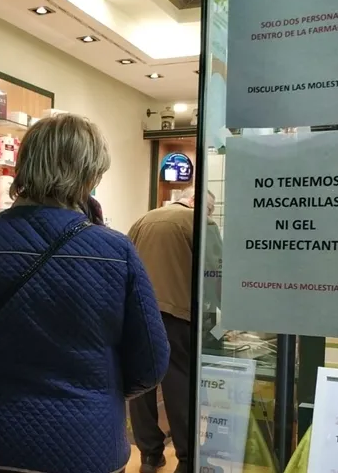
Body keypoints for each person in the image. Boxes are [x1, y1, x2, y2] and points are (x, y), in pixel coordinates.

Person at [0, 114, 170, 473]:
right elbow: (151, 362)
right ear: (89, 176)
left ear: (24, 165)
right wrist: (102, 391)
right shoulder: (117, 252)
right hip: (88, 444)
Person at [126, 186, 206, 473]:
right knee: (178, 383)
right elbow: (215, 272)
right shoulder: (198, 222)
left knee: (141, 384)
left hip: (138, 311)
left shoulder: (143, 220)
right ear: (195, 201)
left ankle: (149, 454)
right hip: (177, 313)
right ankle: (185, 458)